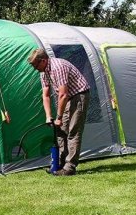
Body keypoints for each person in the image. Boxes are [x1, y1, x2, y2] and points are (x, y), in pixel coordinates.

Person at [27, 48, 90, 176]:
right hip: (66, 98)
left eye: (35, 65)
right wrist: (48, 116)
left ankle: (69, 168)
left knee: (73, 132)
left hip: (78, 96)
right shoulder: (43, 71)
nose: (34, 68)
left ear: (43, 60)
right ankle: (59, 164)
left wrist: (59, 117)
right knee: (60, 131)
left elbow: (63, 94)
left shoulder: (57, 67)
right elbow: (45, 95)